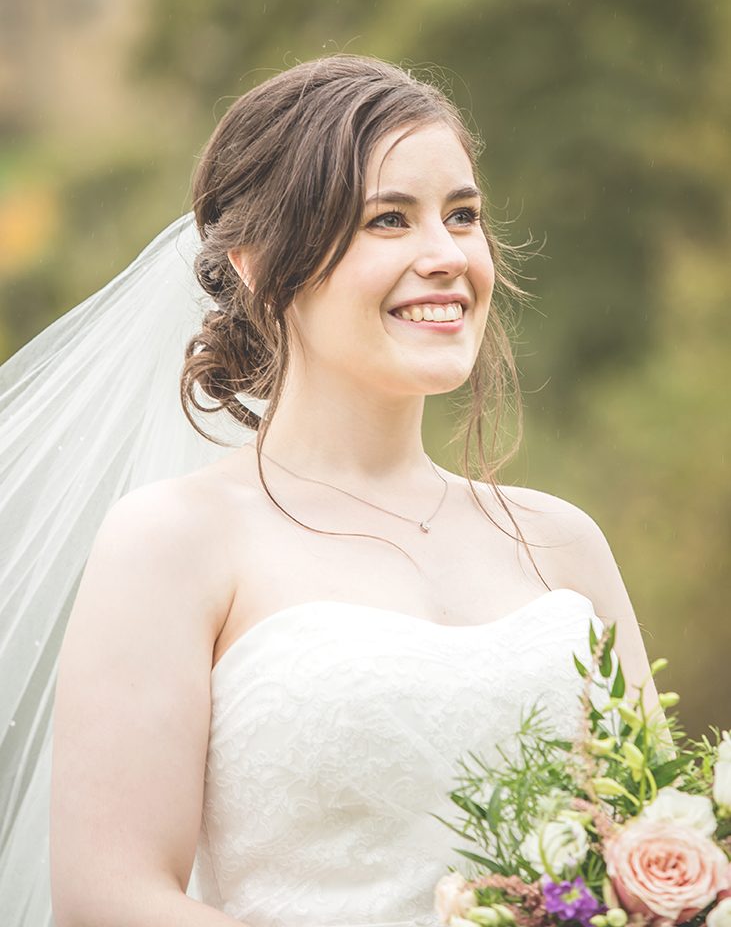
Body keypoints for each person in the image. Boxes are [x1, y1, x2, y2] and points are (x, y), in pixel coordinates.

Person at [1, 55, 664, 927]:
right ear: (255, 260)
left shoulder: (561, 541)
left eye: (462, 216)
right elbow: (108, 901)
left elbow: (658, 833)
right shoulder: (174, 540)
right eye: (388, 220)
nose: (445, 255)